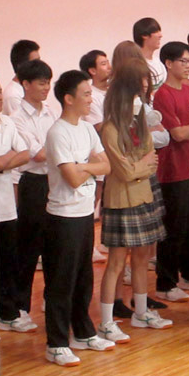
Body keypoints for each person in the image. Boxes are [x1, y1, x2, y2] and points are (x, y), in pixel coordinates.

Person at [95, 61, 173, 345]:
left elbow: (152, 159)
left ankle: (141, 312)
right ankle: (106, 322)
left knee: (142, 257)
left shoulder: (139, 125)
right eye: (137, 92)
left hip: (143, 196)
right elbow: (124, 171)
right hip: (121, 200)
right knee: (116, 262)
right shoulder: (110, 128)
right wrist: (140, 165)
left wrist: (138, 165)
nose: (141, 98)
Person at [43, 70, 112, 366]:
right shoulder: (57, 132)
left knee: (84, 278)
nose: (90, 99)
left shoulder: (86, 129)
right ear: (68, 98)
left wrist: (82, 165)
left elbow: (106, 165)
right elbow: (71, 178)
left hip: (85, 215)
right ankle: (56, 343)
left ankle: (83, 333)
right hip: (63, 217)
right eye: (85, 94)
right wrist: (88, 166)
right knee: (61, 281)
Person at [11, 59, 58, 322]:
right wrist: (61, 149)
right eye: (41, 83)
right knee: (28, 248)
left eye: (48, 82)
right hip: (32, 183)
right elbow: (37, 154)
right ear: (26, 84)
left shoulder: (51, 112)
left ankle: (52, 299)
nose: (46, 88)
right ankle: (20, 307)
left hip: (54, 181)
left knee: (53, 245)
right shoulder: (17, 118)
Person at [154, 41, 189, 302]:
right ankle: (165, 282)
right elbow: (178, 133)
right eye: (183, 61)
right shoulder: (163, 94)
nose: (187, 66)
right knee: (173, 228)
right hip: (173, 170)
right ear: (169, 63)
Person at [0, 73, 33, 332]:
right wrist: (5, 160)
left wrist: (4, 163)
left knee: (9, 263)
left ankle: (9, 313)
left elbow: (25, 153)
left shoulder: (7, 122)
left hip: (8, 207)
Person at [81, 48, 111, 262]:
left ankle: (106, 241)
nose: (108, 66)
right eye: (103, 63)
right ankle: (88, 245)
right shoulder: (91, 95)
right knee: (95, 197)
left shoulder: (113, 90)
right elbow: (100, 126)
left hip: (114, 151)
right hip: (98, 151)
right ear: (92, 70)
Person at [3, 39, 39, 116]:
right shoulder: (12, 95)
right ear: (20, 65)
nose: (40, 66)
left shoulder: (35, 88)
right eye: (35, 63)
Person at [133, 17, 166, 91]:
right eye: (156, 31)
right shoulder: (135, 64)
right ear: (145, 35)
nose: (160, 35)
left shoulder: (158, 62)